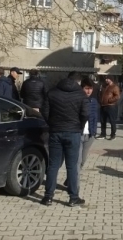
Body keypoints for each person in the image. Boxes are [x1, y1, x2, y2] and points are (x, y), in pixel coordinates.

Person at [40, 72, 89, 207]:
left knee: (53, 165)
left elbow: (44, 111)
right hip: (73, 132)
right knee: (72, 166)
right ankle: (73, 197)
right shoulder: (81, 94)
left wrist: (51, 124)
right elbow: (85, 113)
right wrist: (79, 126)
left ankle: (48, 197)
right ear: (78, 82)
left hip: (55, 131)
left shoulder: (52, 92)